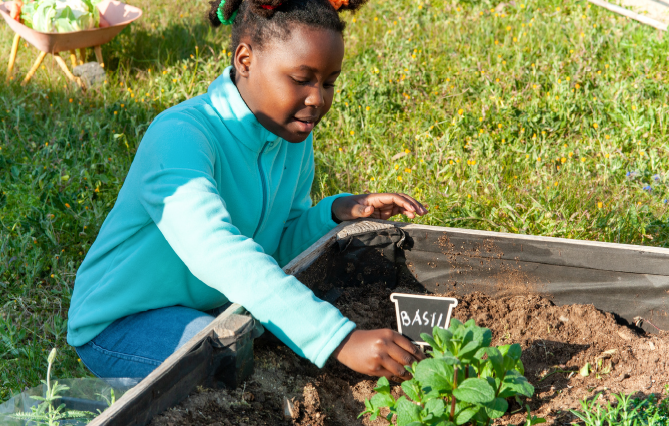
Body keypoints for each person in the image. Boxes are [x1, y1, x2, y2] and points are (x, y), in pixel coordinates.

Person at [67, 0, 429, 383]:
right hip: (123, 323)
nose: (317, 99)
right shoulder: (180, 136)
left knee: (255, 343)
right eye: (302, 78)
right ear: (245, 60)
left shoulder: (290, 138)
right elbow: (217, 252)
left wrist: (334, 213)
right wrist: (339, 339)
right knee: (228, 367)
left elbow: (277, 247)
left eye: (328, 82)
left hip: (214, 306)